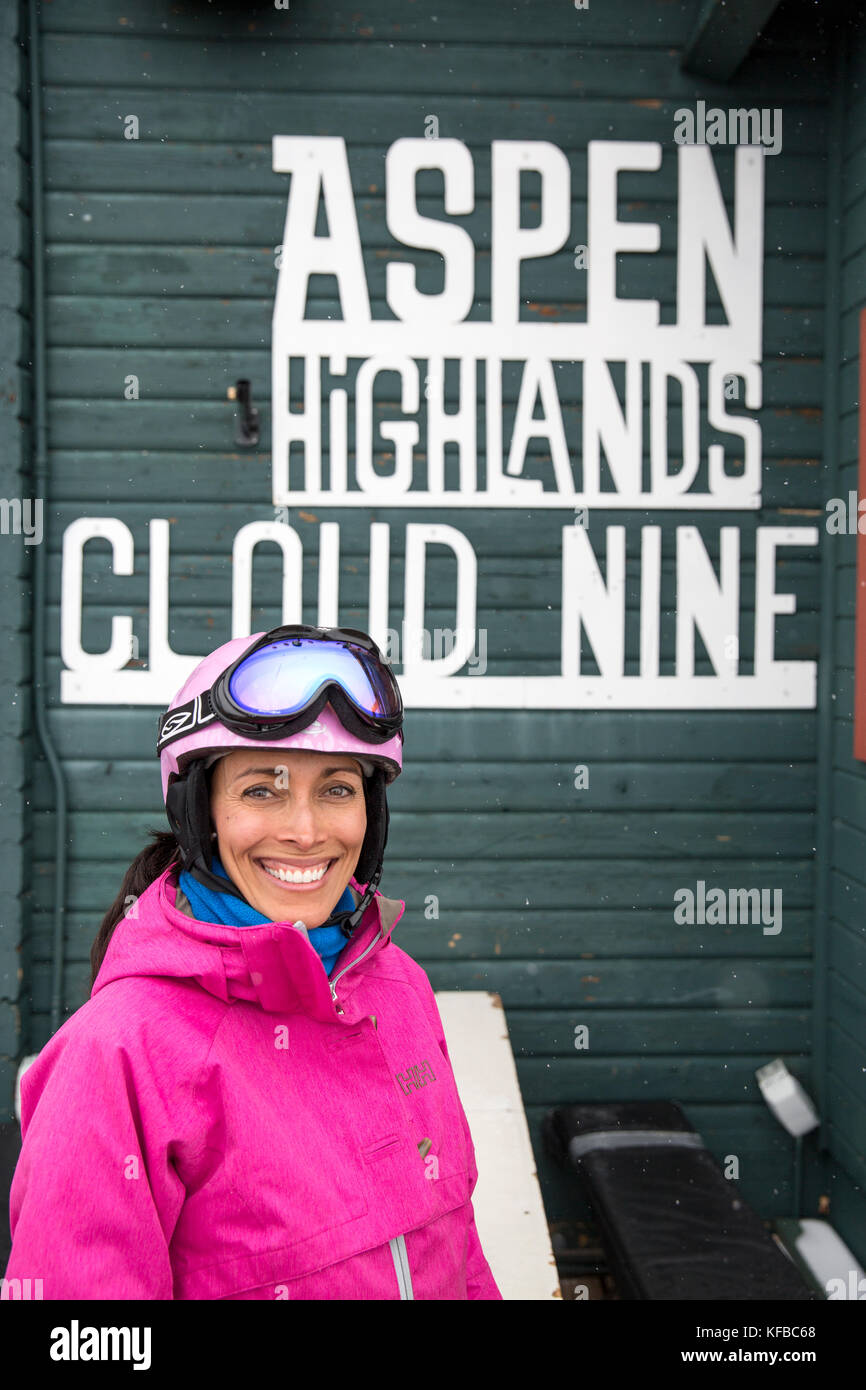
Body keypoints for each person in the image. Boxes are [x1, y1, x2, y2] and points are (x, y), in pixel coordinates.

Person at [5, 624, 502, 1300]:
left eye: (336, 789)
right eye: (261, 792)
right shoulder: (119, 1052)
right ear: (199, 811)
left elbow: (459, 1252)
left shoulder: (398, 988)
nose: (305, 831)